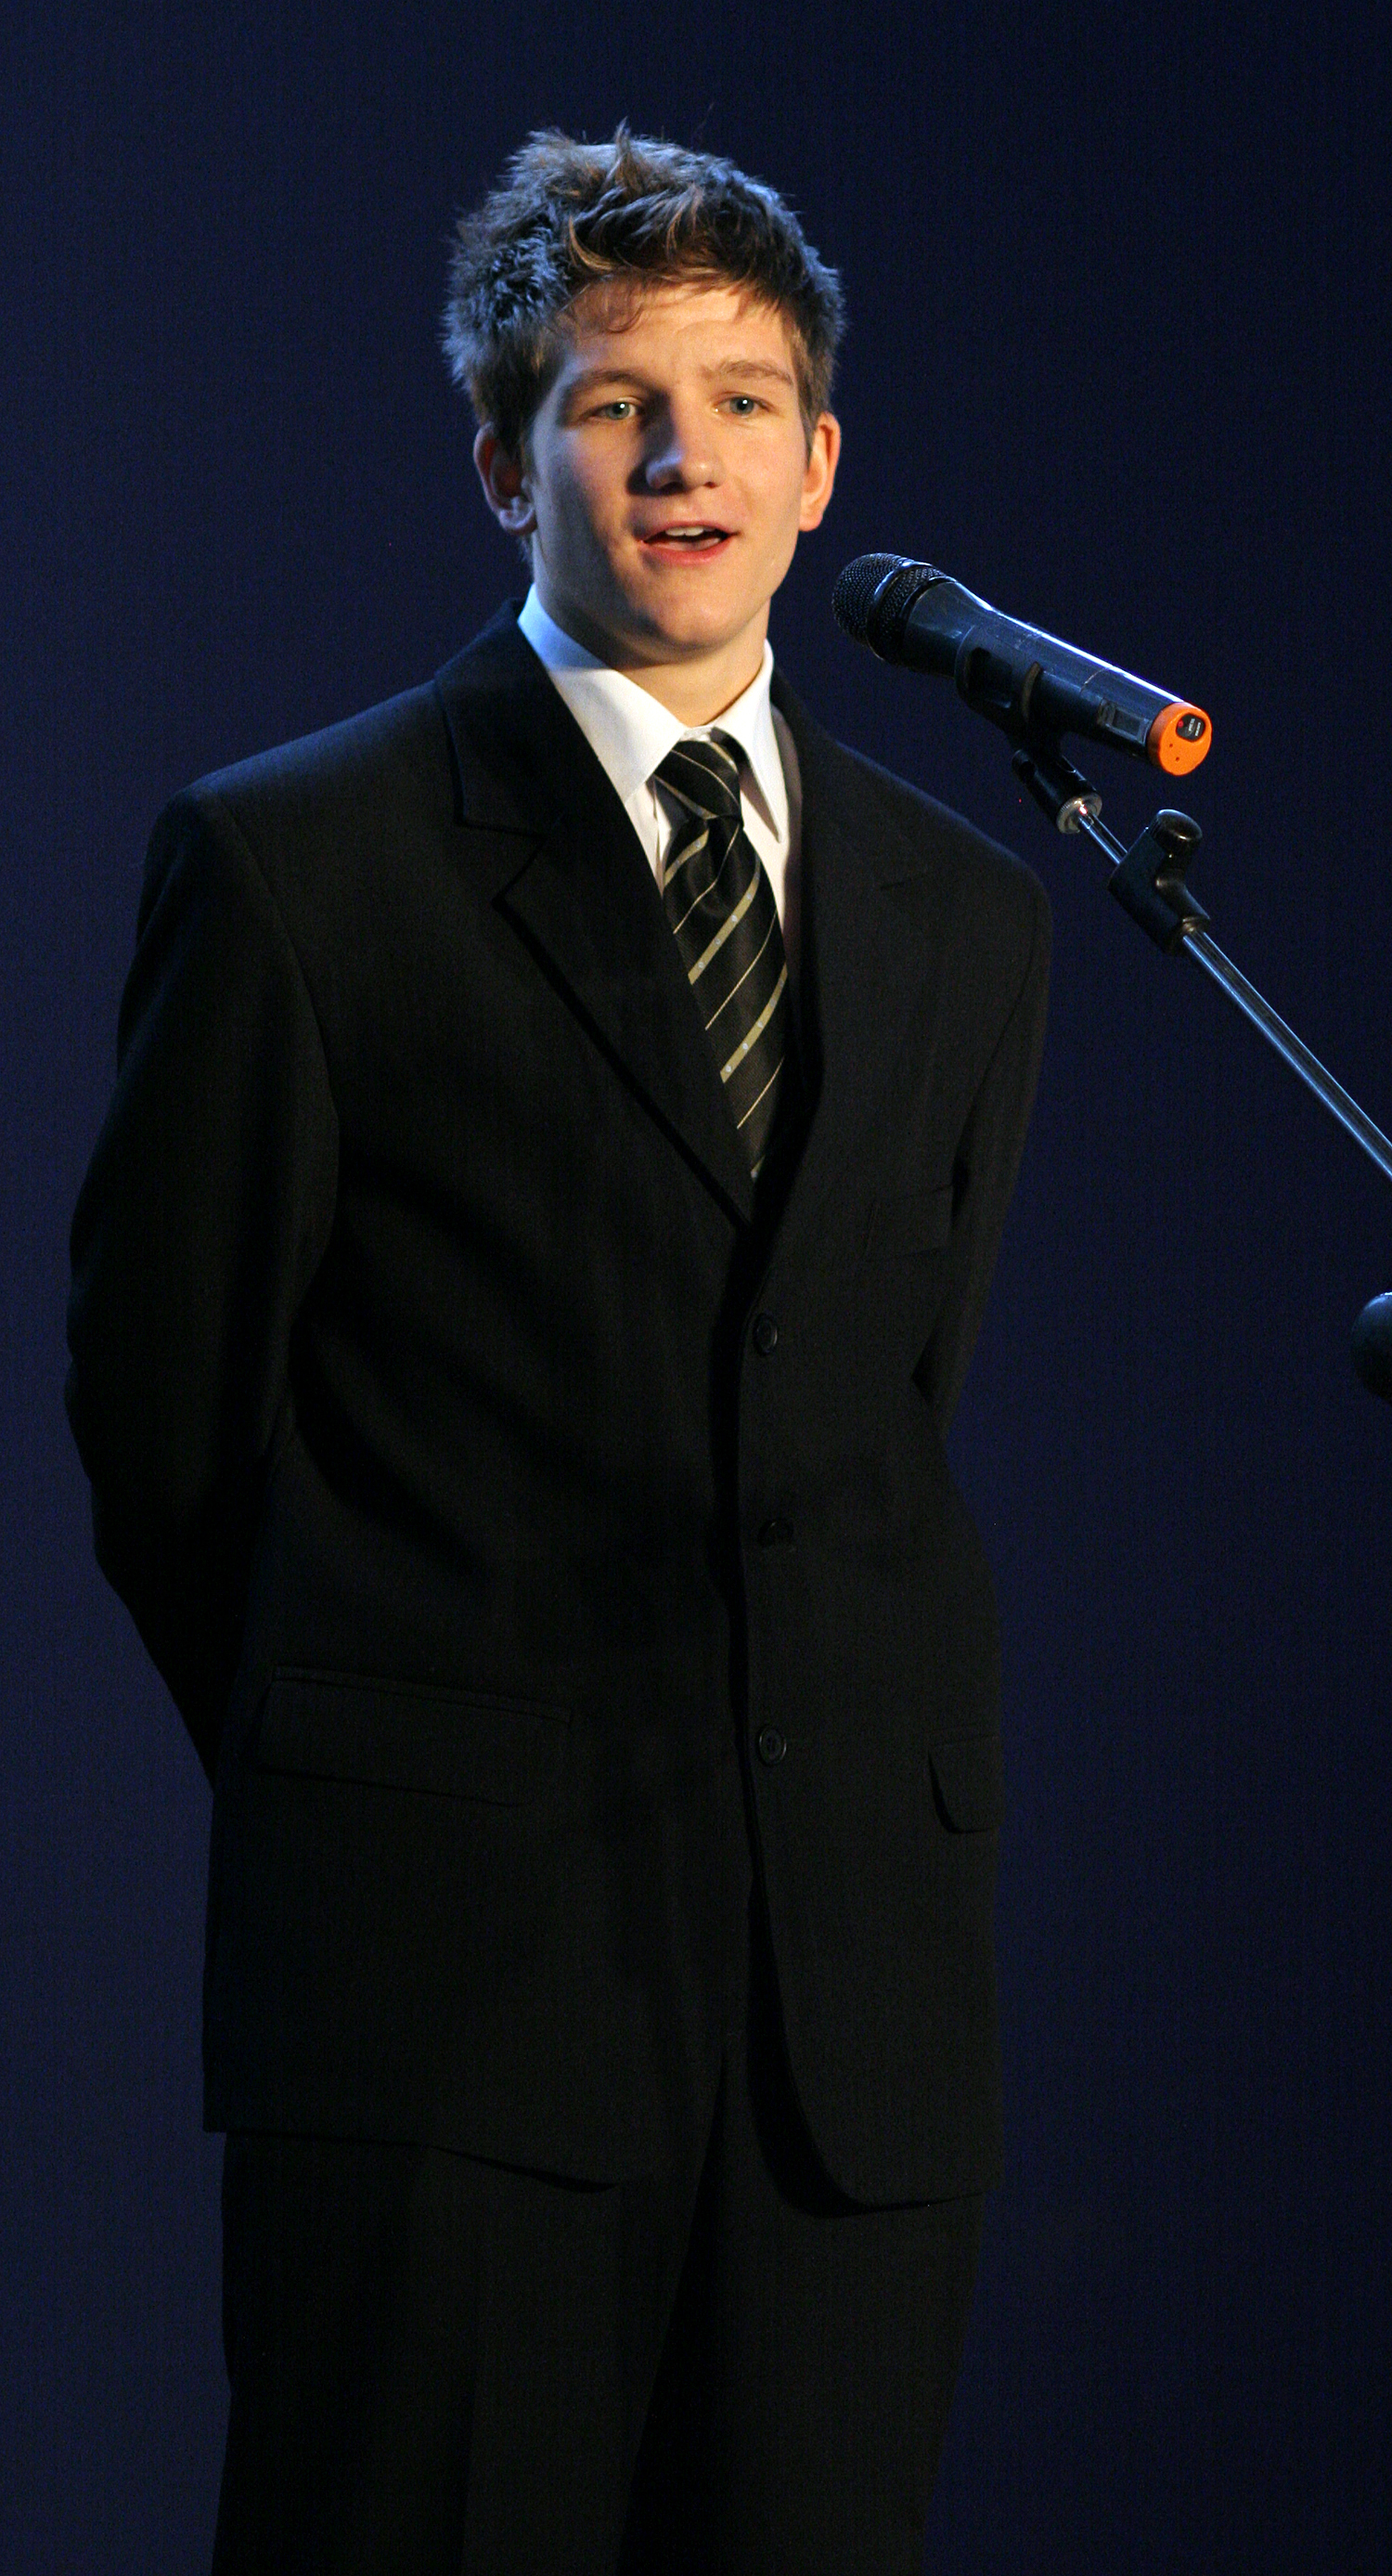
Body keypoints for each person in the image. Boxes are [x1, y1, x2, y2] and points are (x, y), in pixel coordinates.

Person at [66, 126, 1050, 2575]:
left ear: (822, 468)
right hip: (444, 2008)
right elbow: (165, 1430)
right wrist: (394, 1761)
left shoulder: (962, 912)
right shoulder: (302, 861)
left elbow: (880, 1397)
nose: (684, 455)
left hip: (842, 2021)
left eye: (741, 403)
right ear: (508, 463)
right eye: (618, 404)